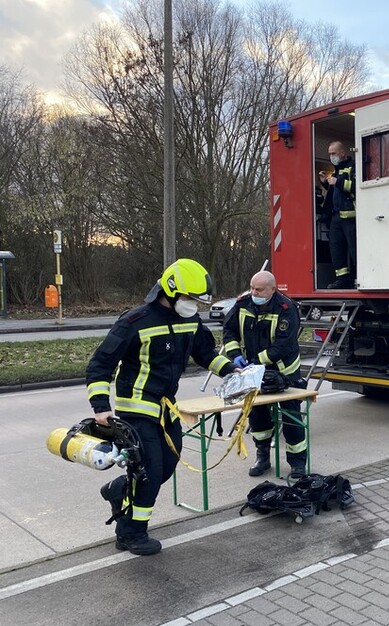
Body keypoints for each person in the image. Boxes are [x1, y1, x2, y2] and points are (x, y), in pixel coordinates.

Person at [87, 258, 236, 555]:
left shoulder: (189, 321)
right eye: (188, 298)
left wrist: (232, 371)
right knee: (150, 471)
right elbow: (100, 364)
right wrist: (101, 406)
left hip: (167, 409)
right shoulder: (135, 321)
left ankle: (118, 490)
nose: (193, 305)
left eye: (196, 300)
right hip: (136, 410)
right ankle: (130, 534)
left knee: (168, 464)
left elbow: (205, 353)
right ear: (169, 292)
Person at [223, 270, 307, 479]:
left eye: (259, 289)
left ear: (272, 289)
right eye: (252, 287)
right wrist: (234, 355)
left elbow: (284, 345)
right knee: (258, 417)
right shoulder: (242, 304)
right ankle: (262, 458)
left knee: (291, 418)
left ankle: (297, 464)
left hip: (284, 372)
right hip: (254, 373)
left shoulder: (286, 308)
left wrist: (256, 360)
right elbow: (229, 332)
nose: (254, 292)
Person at [320, 141, 356, 289]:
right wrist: (326, 184)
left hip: (350, 217)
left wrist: (338, 181)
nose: (331, 156)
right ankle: (342, 279)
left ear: (342, 153)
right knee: (336, 249)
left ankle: (358, 277)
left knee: (354, 249)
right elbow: (337, 192)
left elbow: (356, 186)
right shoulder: (336, 170)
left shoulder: (353, 166)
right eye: (329, 154)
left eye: (333, 153)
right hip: (335, 218)